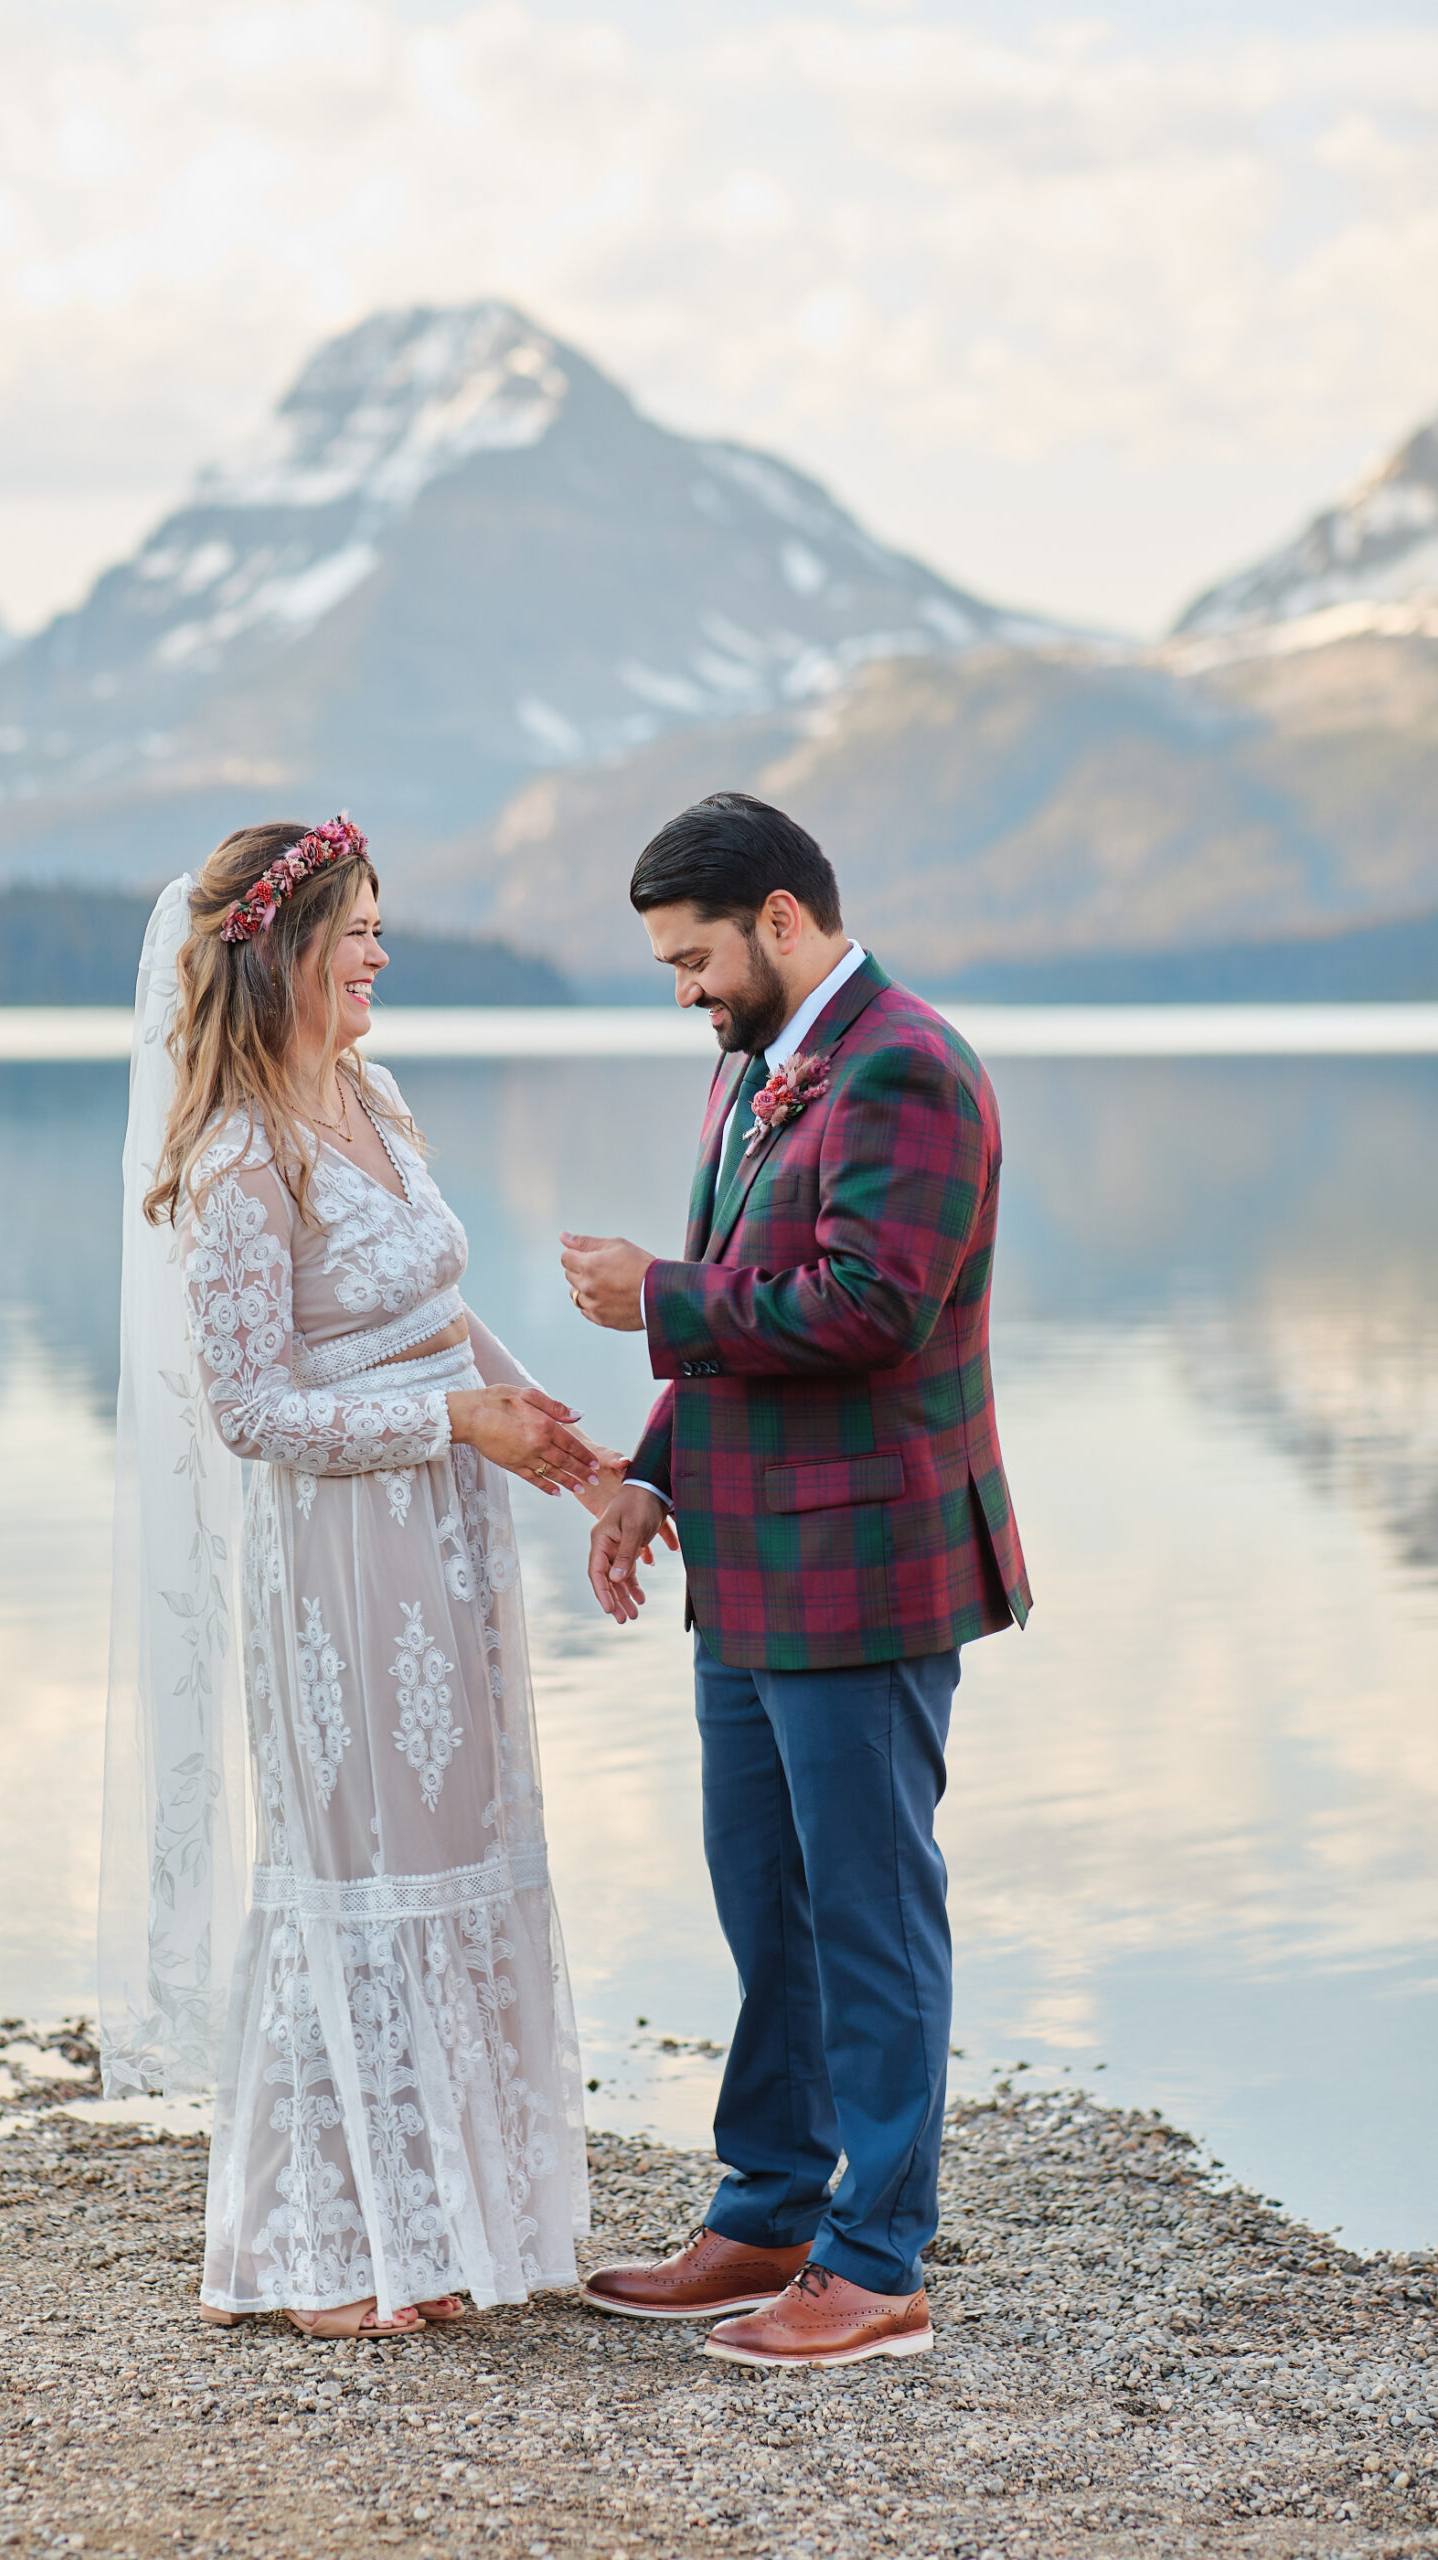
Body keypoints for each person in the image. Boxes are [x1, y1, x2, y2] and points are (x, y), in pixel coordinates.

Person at [99, 817, 622, 2340]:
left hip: (452, 1541)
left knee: (466, 1850)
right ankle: (322, 2252)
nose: (384, 957)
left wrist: (576, 1465)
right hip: (341, 1559)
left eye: (384, 930)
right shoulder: (235, 1158)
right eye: (359, 933)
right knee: (358, 1873)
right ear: (284, 952)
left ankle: (450, 2220)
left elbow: (447, 1320)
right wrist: (450, 1424)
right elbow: (253, 1413)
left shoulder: (374, 1099)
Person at [561, 792, 1031, 2371]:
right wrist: (647, 1476)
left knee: (873, 1911)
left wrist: (657, 1296)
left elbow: (867, 1309)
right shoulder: (752, 1072)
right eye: (666, 968)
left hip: (868, 1565)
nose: (682, 992)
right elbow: (746, 1326)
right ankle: (766, 2210)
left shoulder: (909, 1061)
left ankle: (878, 2259)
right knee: (769, 1903)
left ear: (778, 917)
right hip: (749, 1565)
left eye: (692, 958)